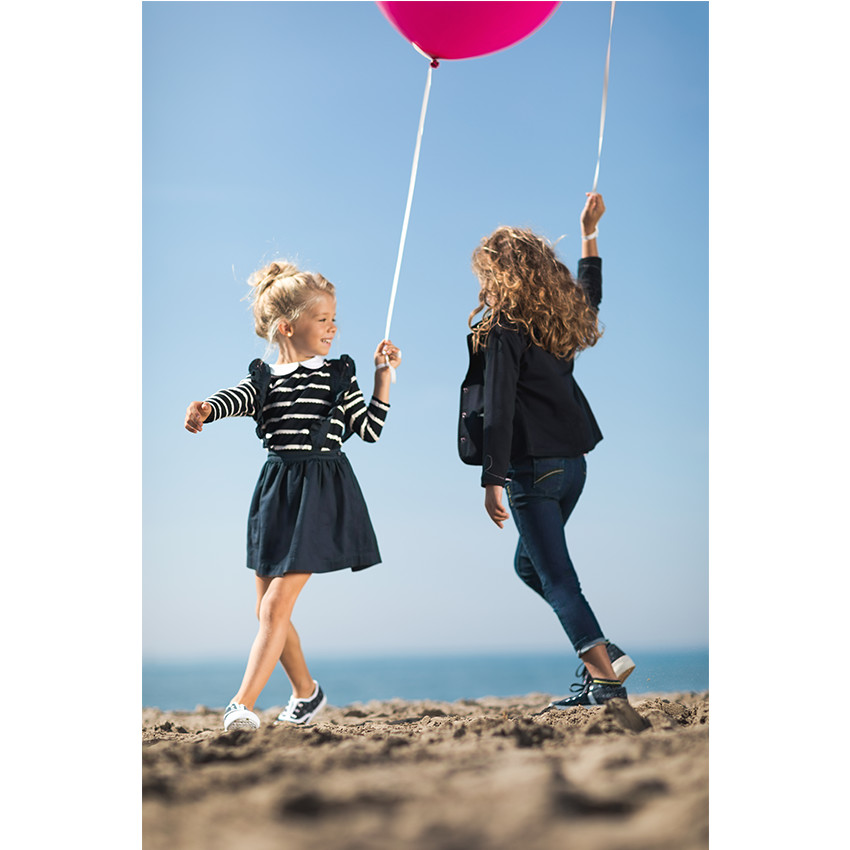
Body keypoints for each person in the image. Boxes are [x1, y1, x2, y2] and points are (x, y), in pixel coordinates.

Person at [184, 260, 401, 730]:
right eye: (323, 319)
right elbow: (234, 399)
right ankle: (307, 693)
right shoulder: (265, 378)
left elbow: (369, 430)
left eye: (333, 318)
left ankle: (240, 704)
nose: (333, 327)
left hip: (321, 492)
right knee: (263, 608)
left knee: (276, 607)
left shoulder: (339, 375)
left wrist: (383, 381)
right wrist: (205, 408)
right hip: (275, 492)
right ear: (288, 326)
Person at [468, 193, 634, 709]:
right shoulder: (556, 321)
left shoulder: (503, 327)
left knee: (558, 576)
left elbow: (496, 410)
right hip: (573, 466)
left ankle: (603, 681)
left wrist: (492, 478)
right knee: (530, 565)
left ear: (498, 274)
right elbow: (590, 295)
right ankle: (604, 652)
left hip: (530, 469)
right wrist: (589, 234)